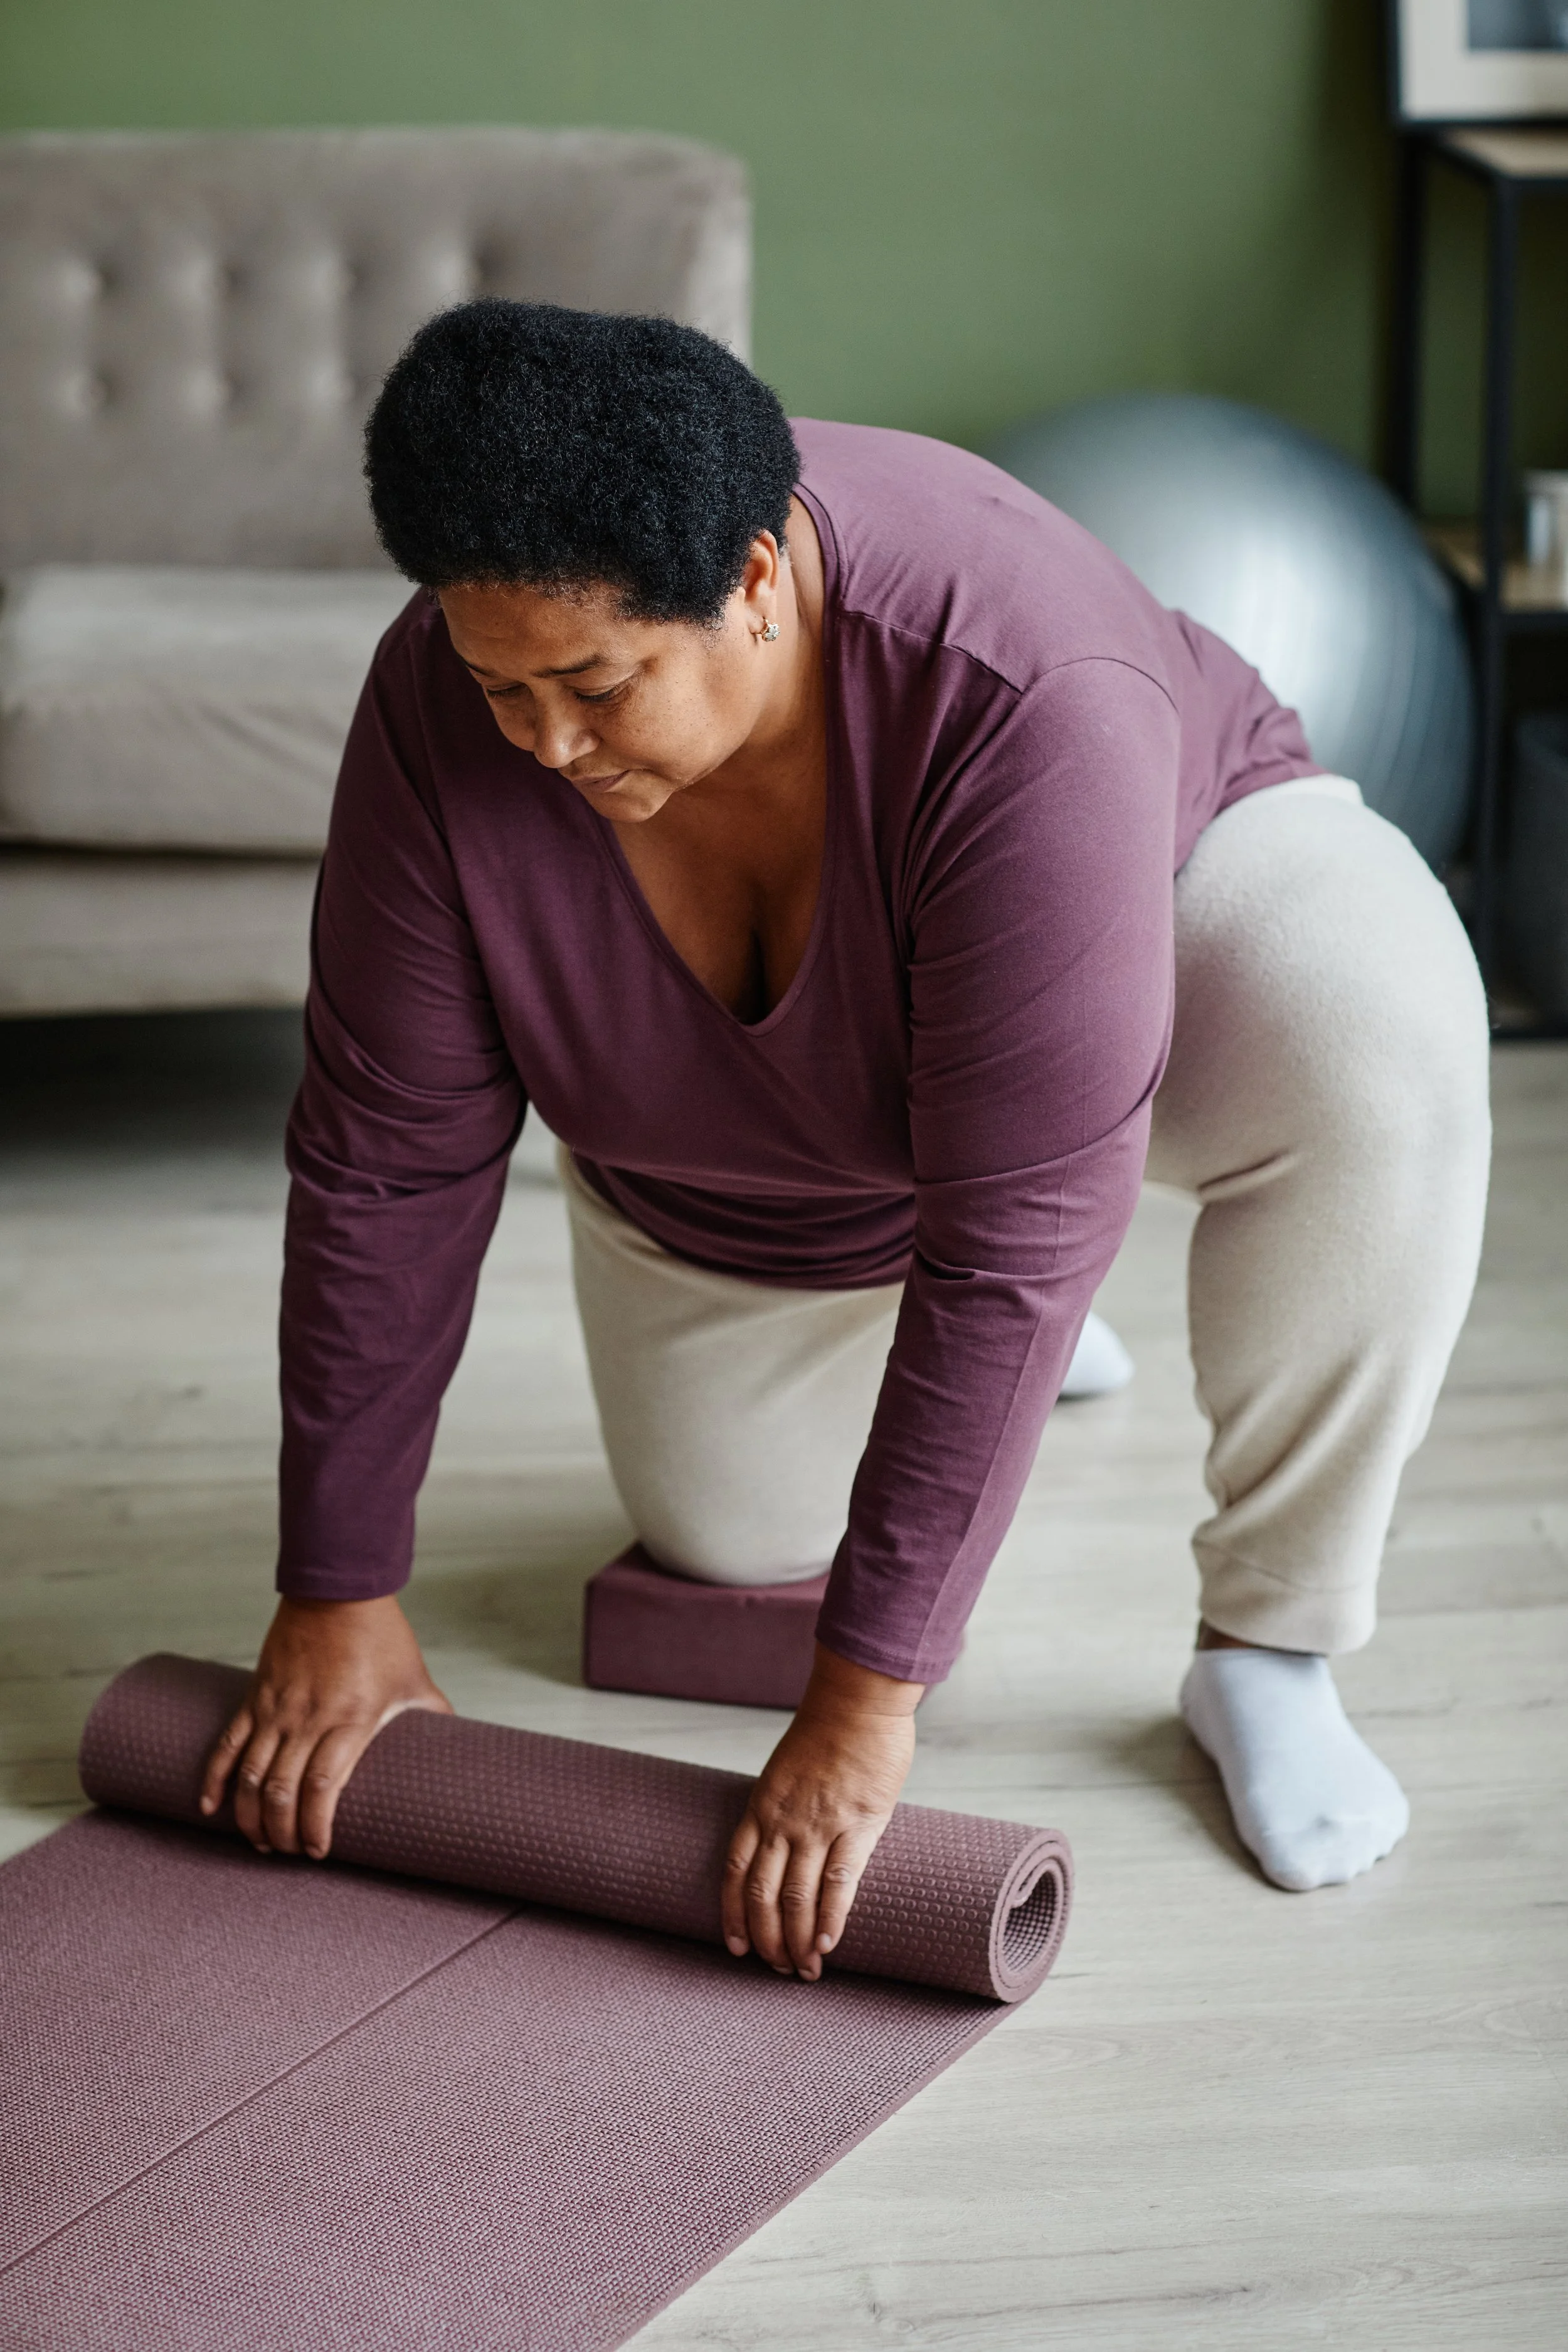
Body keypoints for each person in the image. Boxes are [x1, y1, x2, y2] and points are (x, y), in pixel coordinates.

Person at [199, 303, 1491, 1973]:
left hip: (1142, 973)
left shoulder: (1022, 685)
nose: (546, 745)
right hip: (734, 1144)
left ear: (753, 578)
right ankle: (972, 1310)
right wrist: (338, 1586)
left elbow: (1014, 1225)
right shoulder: (449, 707)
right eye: (500, 685)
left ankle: (1269, 1642)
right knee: (731, 1549)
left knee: (1365, 1036)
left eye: (595, 684)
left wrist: (867, 1701)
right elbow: (386, 1160)